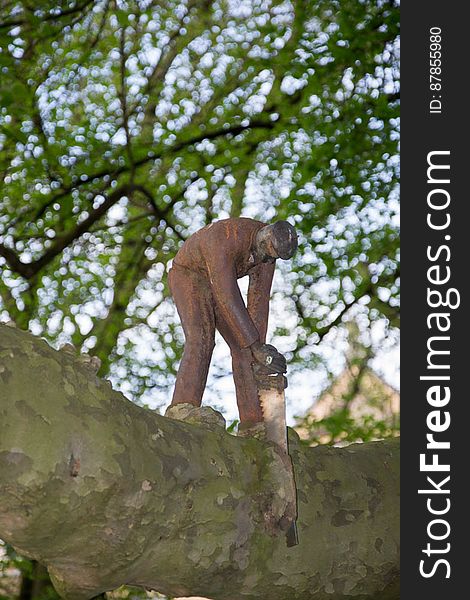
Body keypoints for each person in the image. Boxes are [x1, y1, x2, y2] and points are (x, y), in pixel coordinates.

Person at [166, 217, 298, 434]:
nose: (264, 260)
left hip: (218, 283)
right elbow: (227, 294)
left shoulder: (267, 256)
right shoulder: (225, 237)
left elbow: (259, 300)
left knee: (244, 348)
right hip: (189, 275)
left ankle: (253, 424)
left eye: (271, 257)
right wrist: (256, 345)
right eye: (265, 253)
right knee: (202, 337)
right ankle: (182, 408)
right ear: (263, 237)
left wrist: (260, 353)